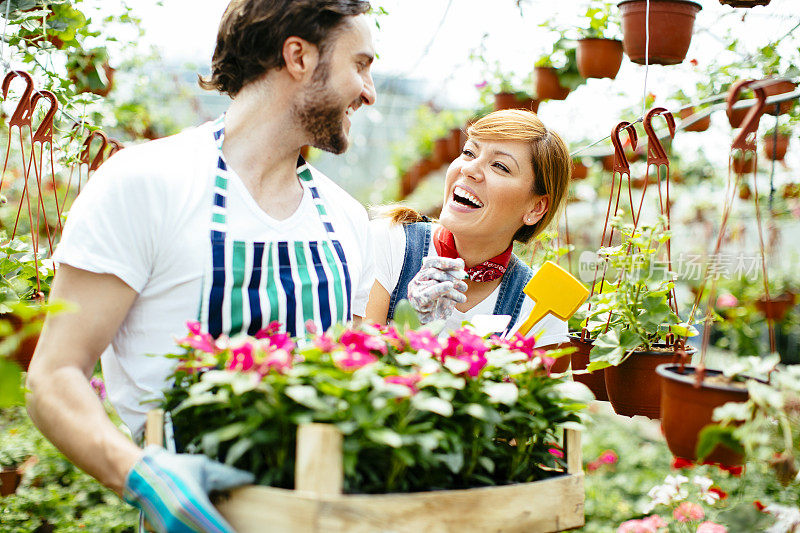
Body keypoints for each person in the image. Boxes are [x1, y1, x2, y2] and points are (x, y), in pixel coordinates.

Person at [26, 1, 376, 531]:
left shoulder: (346, 218)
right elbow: (52, 376)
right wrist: (142, 475)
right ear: (298, 56)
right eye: (361, 64)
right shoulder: (146, 184)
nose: (369, 91)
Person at [366, 109, 571, 345]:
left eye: (500, 166)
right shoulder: (388, 243)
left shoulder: (538, 308)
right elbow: (355, 367)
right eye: (469, 152)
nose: (468, 169)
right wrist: (411, 325)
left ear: (536, 208)